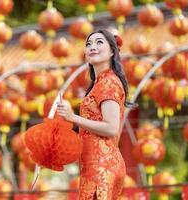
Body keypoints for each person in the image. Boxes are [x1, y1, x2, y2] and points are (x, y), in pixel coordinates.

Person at [57, 29, 133, 200]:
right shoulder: (99, 83)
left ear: (112, 51)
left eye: (99, 42)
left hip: (101, 168)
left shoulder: (108, 82)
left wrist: (73, 117)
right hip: (96, 166)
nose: (92, 47)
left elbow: (112, 128)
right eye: (89, 44)